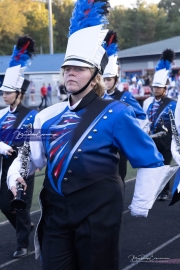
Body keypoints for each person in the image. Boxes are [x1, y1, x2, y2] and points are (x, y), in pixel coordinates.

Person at [7, 1, 176, 269]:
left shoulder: (117, 113)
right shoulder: (45, 116)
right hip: (55, 215)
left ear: (95, 76)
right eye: (67, 69)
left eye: (79, 69)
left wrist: (140, 204)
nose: (71, 73)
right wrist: (16, 175)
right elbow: (29, 155)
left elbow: (150, 159)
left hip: (99, 215)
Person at [0, 35, 38, 258]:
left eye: (7, 92)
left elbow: (36, 140)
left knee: (19, 203)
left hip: (24, 163)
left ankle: (22, 244)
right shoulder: (1, 115)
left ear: (18, 94)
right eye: (3, 92)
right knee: (5, 205)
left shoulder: (32, 115)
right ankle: (26, 230)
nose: (4, 96)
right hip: (5, 165)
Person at [102, 30, 147, 182]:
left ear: (115, 79)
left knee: (119, 178)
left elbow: (141, 116)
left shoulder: (125, 96)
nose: (106, 82)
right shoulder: (98, 97)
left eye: (109, 79)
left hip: (120, 146)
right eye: (104, 79)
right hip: (102, 145)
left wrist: (129, 133)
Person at [143, 49, 177, 201]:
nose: (156, 89)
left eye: (159, 87)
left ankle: (164, 191)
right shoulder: (147, 102)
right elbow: (144, 120)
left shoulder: (173, 104)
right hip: (151, 140)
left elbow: (176, 123)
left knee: (164, 167)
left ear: (165, 88)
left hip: (167, 140)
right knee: (152, 167)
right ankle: (153, 189)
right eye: (154, 87)